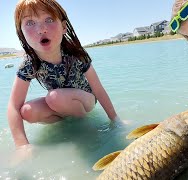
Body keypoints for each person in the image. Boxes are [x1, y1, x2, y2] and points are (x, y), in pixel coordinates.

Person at [7, 0, 118, 151]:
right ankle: (66, 121)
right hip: (59, 102)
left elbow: (98, 89)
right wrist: (22, 146)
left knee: (54, 97)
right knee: (27, 111)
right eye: (30, 23)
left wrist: (115, 120)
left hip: (86, 99)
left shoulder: (76, 54)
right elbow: (13, 106)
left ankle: (83, 123)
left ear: (64, 27)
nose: (41, 29)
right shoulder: (30, 63)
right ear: (21, 32)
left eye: (49, 20)